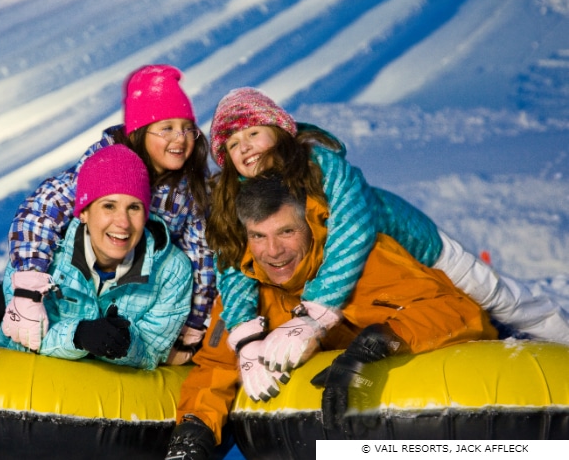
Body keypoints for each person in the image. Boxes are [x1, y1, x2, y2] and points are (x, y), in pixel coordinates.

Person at [207, 87, 569, 378]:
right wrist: (246, 338)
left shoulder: (324, 169)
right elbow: (234, 267)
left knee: (501, 299)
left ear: (280, 133)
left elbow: (351, 234)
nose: (246, 148)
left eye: (253, 134)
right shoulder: (239, 200)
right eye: (233, 145)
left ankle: (560, 340)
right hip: (377, 268)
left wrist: (312, 317)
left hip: (419, 246)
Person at [0, 64, 215, 364]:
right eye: (167, 128)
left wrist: (193, 326)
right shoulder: (103, 166)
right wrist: (30, 283)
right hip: (64, 276)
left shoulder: (188, 190)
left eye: (188, 128)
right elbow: (41, 212)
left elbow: (200, 255)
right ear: (139, 131)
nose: (180, 139)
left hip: (127, 283)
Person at [164, 174, 498, 458]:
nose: (273, 252)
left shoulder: (365, 263)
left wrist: (378, 342)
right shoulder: (246, 294)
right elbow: (216, 368)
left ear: (309, 226)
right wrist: (194, 431)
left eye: (286, 232)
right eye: (258, 236)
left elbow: (459, 312)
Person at [0, 144, 192, 369]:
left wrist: (125, 344)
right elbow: (20, 337)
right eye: (109, 206)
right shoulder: (39, 256)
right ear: (84, 212)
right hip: (24, 386)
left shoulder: (171, 270)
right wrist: (79, 336)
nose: (123, 222)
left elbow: (152, 352)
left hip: (107, 398)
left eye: (134, 208)